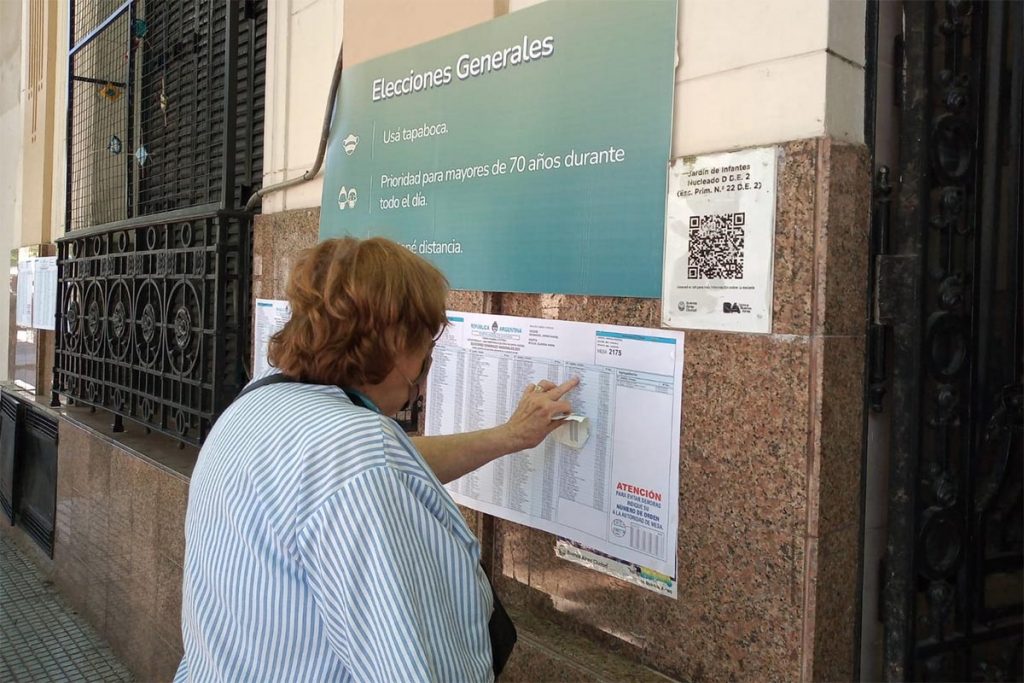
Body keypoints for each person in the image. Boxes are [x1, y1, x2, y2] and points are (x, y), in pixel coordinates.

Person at [174, 237, 578, 682]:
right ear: (395, 342)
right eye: (426, 351)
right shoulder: (357, 449)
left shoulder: (259, 404)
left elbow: (391, 466)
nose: (421, 378)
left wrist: (510, 436)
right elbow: (407, 668)